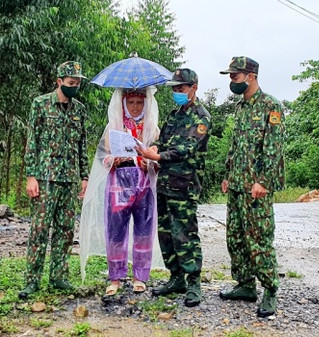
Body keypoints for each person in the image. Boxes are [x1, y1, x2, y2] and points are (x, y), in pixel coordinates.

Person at [79, 86, 164, 298]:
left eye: (140, 103)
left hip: (144, 184)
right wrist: (112, 160)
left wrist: (150, 164)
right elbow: (103, 157)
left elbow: (160, 158)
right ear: (123, 104)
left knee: (144, 230)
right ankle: (115, 277)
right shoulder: (114, 129)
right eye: (131, 103)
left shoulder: (153, 130)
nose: (135, 107)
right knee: (116, 231)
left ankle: (140, 277)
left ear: (146, 104)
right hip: (118, 183)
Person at [218, 56, 285, 318]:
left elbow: (273, 148)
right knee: (235, 237)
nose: (231, 81)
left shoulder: (271, 105)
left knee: (259, 238)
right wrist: (227, 173)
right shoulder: (240, 107)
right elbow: (235, 145)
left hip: (256, 187)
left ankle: (269, 290)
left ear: (251, 76)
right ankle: (245, 285)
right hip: (236, 183)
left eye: (235, 76)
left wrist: (263, 181)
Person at [137, 68, 210, 307]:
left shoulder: (201, 117)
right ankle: (176, 278)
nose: (177, 92)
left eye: (181, 88)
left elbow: (186, 149)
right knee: (166, 233)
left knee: (185, 235)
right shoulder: (173, 115)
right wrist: (153, 150)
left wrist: (158, 157)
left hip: (185, 185)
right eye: (175, 89)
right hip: (165, 183)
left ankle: (193, 284)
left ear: (193, 88)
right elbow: (163, 141)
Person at [19, 61, 89, 299]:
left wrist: (84, 176)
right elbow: (32, 141)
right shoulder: (40, 104)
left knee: (65, 230)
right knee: (39, 229)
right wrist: (31, 176)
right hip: (45, 177)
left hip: (69, 179)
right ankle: (31, 281)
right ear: (59, 82)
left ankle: (59, 276)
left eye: (78, 83)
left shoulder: (79, 110)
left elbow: (82, 145)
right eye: (71, 83)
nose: (75, 87)